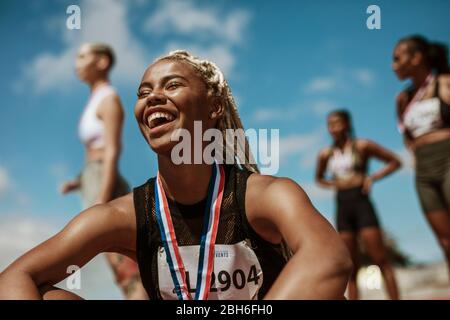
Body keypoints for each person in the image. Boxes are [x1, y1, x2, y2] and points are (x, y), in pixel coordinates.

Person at [0, 50, 351, 300]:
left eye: (171, 85)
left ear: (214, 107)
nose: (152, 97)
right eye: (143, 92)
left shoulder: (264, 195)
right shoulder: (124, 215)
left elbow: (329, 259)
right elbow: (16, 276)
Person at [59, 43, 147, 299]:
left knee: (124, 262)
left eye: (83, 56)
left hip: (102, 181)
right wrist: (78, 182)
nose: (76, 62)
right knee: (115, 259)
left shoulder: (109, 99)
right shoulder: (95, 99)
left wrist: (102, 198)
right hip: (92, 178)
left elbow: (111, 150)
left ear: (102, 62)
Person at [315, 109, 401, 300]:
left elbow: (395, 161)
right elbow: (319, 178)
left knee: (380, 259)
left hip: (362, 204)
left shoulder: (362, 146)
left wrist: (372, 178)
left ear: (346, 124)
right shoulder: (326, 154)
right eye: (330, 124)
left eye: (337, 123)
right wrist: (335, 183)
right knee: (351, 265)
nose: (333, 128)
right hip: (343, 205)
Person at [393, 35, 450, 280]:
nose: (393, 65)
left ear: (417, 57)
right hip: (424, 171)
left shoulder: (444, 83)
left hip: (448, 159)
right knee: (445, 240)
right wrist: (415, 152)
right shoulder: (403, 98)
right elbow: (406, 134)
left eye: (397, 58)